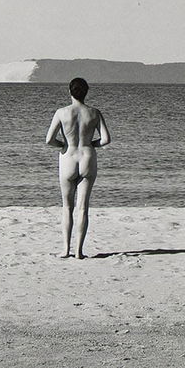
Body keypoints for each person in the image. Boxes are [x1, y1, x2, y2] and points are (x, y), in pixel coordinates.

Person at [45, 77, 111, 259]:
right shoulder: (94, 113)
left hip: (68, 157)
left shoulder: (61, 112)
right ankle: (79, 252)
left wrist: (63, 145)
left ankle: (66, 249)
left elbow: (49, 140)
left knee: (67, 207)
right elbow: (106, 139)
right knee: (83, 208)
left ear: (69, 91)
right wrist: (90, 144)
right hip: (87, 157)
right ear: (86, 92)